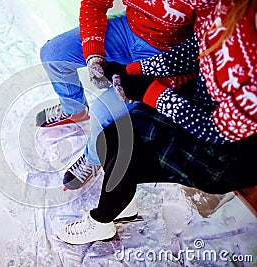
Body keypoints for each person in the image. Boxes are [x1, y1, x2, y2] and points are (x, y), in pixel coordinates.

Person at [57, 0, 257, 245]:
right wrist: (135, 70)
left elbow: (214, 130)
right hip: (197, 103)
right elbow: (193, 51)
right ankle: (122, 204)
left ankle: (100, 223)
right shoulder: (233, 9)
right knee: (113, 135)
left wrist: (153, 93)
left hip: (223, 152)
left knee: (128, 159)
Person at [37, 0, 197, 191]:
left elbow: (203, 54)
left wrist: (144, 81)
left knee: (101, 113)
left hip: (168, 58)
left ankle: (93, 158)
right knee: (53, 54)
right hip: (128, 29)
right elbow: (94, 4)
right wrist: (93, 54)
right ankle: (74, 110)